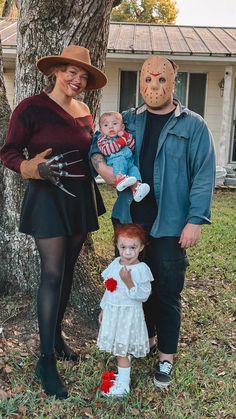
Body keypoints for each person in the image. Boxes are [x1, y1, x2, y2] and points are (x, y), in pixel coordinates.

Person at [90, 55, 216, 389]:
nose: (153, 86)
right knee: (130, 285)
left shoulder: (194, 125)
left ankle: (166, 357)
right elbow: (97, 143)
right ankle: (140, 342)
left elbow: (203, 175)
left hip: (172, 224)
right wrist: (101, 166)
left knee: (166, 290)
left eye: (161, 80)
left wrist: (195, 220)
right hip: (129, 222)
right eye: (148, 79)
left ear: (175, 82)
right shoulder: (128, 119)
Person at [0, 45, 107, 399]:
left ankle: (56, 339)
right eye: (70, 72)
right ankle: (45, 360)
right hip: (48, 199)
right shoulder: (30, 108)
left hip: (80, 198)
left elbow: (88, 153)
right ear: (56, 72)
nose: (77, 80)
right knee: (52, 274)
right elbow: (8, 152)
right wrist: (30, 168)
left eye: (83, 76)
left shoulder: (85, 111)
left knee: (68, 274)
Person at [98, 223, 154, 397]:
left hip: (128, 316)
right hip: (114, 313)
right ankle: (122, 376)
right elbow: (109, 289)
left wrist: (129, 282)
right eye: (123, 247)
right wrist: (103, 308)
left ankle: (123, 386)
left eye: (133, 247)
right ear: (117, 246)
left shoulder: (141, 269)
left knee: (121, 351)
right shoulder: (115, 263)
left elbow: (143, 296)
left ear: (141, 247)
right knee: (120, 349)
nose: (128, 252)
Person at [95, 111, 150, 202]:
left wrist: (125, 136)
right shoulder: (102, 140)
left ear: (122, 127)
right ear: (101, 130)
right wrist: (121, 142)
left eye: (115, 124)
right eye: (106, 125)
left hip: (129, 161)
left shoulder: (125, 136)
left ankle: (136, 188)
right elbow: (106, 150)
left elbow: (132, 146)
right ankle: (120, 178)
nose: (111, 127)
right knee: (119, 160)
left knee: (134, 170)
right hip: (114, 160)